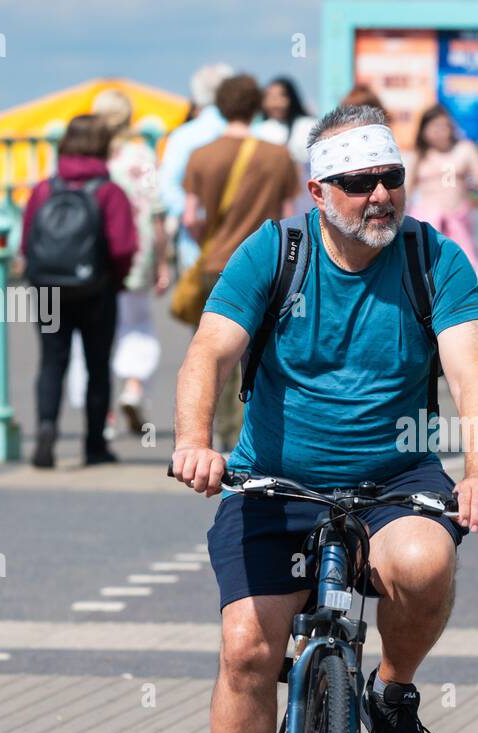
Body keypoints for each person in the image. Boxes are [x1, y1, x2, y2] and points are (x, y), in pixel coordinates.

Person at [171, 103, 478, 733]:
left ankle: (392, 692)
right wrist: (195, 442)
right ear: (319, 192)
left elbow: (472, 376)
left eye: (390, 178)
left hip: (396, 477)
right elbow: (208, 353)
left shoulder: (434, 259)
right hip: (273, 480)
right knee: (247, 650)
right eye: (359, 183)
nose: (380, 195)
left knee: (425, 564)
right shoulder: (275, 252)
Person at [182, 73, 300, 452]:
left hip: (215, 264)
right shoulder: (277, 156)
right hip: (269, 267)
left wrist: (210, 242)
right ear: (256, 107)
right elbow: (288, 214)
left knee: (215, 353)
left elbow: (190, 218)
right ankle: (257, 439)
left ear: (220, 105)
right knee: (263, 354)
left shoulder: (200, 155)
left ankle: (225, 439)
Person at [21, 114, 138, 468]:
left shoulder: (44, 188)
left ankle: (45, 428)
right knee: (97, 366)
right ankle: (94, 445)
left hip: (47, 288)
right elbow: (122, 248)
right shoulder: (109, 191)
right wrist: (114, 281)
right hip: (95, 288)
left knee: (51, 362)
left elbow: (27, 241)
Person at [64, 89, 169, 435]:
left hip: (91, 259)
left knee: (91, 334)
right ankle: (134, 386)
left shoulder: (90, 158)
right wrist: (163, 262)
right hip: (135, 255)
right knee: (136, 324)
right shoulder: (142, 156)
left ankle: (102, 412)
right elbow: (156, 212)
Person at [406, 103, 478, 268]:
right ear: (424, 130)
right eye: (434, 127)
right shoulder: (418, 155)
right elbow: (405, 193)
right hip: (426, 229)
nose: (439, 132)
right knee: (425, 279)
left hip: (457, 226)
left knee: (461, 276)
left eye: (443, 126)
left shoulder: (464, 151)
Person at [157, 64, 234, 272]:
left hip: (194, 244)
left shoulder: (182, 136)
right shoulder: (251, 134)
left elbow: (166, 186)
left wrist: (194, 215)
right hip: (242, 242)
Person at [251, 76, 315, 215]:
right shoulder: (258, 131)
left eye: (281, 96)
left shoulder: (308, 126)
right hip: (269, 201)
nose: (276, 102)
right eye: (270, 97)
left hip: (303, 197)